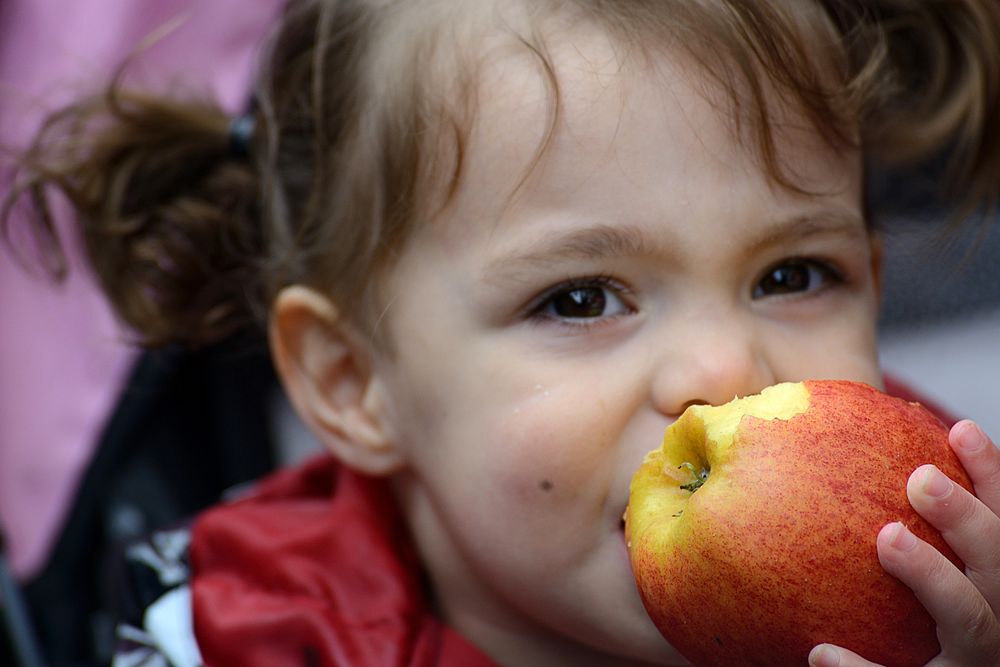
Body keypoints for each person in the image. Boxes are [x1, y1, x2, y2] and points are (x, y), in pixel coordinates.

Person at [3, 1, 1000, 665]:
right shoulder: (251, 634)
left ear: (872, 283)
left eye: (792, 275)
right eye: (578, 299)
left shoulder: (929, 540)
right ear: (353, 382)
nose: (723, 368)